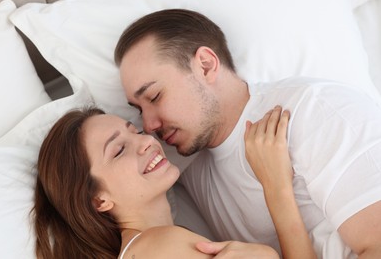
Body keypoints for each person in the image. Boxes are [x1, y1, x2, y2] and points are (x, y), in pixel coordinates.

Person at [114, 8, 381, 258]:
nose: (148, 126)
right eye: (138, 109)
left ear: (206, 65)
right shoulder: (186, 167)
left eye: (154, 96)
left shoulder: (312, 110)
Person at [33, 106, 316, 258]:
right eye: (118, 150)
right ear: (98, 200)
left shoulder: (156, 245)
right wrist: (277, 187)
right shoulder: (159, 246)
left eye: (137, 132)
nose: (145, 142)